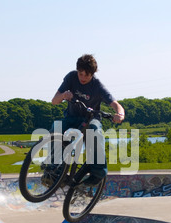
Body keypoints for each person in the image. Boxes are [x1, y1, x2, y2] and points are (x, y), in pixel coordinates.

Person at [51, 54, 125, 186]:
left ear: (93, 74)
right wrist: (63, 95)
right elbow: (54, 101)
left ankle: (98, 173)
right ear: (77, 71)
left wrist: (119, 114)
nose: (83, 78)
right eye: (81, 74)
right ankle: (55, 170)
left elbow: (115, 104)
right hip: (71, 118)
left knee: (95, 131)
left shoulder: (97, 86)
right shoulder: (71, 77)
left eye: (87, 75)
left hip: (91, 119)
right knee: (56, 128)